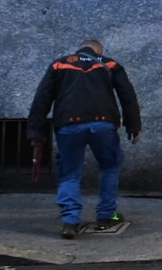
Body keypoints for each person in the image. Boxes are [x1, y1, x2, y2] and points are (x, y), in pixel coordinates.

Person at [26, 39, 142, 239]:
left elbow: (41, 99)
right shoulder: (110, 64)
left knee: (69, 173)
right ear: (100, 50)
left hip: (69, 124)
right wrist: (133, 125)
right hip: (103, 124)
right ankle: (106, 216)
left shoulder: (59, 64)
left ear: (79, 48)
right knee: (109, 167)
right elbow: (127, 96)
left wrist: (36, 132)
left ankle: (70, 221)